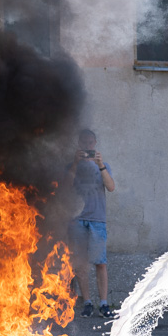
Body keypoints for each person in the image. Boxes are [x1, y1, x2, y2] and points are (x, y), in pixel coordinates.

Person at [65, 128, 116, 318]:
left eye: (90, 143)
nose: (87, 146)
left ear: (95, 144)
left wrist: (101, 165)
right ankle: (87, 302)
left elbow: (111, 187)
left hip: (97, 220)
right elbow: (65, 188)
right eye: (84, 143)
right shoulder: (72, 166)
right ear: (79, 144)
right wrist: (76, 163)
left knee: (100, 263)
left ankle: (103, 303)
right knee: (81, 264)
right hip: (77, 220)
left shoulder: (104, 166)